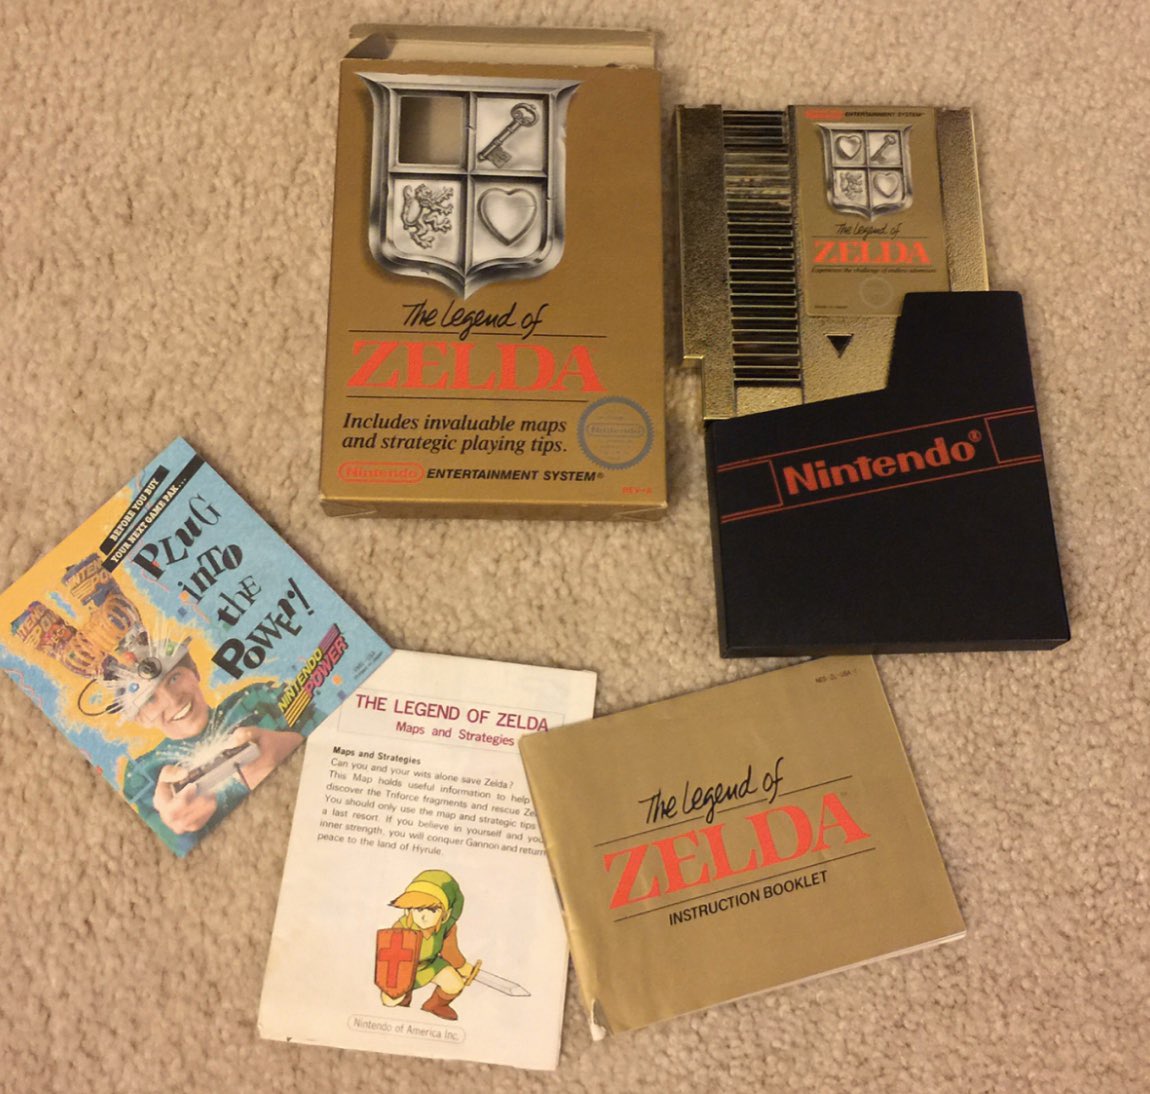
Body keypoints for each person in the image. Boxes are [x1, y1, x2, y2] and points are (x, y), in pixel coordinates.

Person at [120, 650, 307, 852]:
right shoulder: (143, 773)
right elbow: (168, 850)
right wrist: (178, 828)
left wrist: (291, 744)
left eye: (174, 678)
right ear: (140, 718)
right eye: (150, 699)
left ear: (195, 671)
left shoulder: (259, 700)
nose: (173, 700)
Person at [380, 869, 477, 1020]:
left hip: (431, 964)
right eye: (418, 909)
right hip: (405, 969)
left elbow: (450, 951)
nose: (423, 915)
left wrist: (462, 966)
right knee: (391, 1000)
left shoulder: (446, 927)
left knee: (455, 984)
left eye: (432, 909)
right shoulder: (401, 928)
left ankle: (435, 1005)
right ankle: (404, 1003)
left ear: (445, 913)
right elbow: (392, 956)